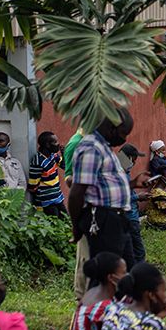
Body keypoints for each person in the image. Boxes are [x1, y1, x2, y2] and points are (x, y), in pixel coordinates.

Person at [68, 110, 134, 266]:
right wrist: (76, 226)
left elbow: (105, 184)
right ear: (112, 128)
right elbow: (76, 193)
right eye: (124, 133)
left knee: (127, 274)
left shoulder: (104, 147)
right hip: (104, 219)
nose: (124, 139)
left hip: (117, 218)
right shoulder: (92, 147)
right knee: (107, 276)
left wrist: (134, 182)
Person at [55, 252, 127, 330]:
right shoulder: (106, 307)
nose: (127, 276)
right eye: (123, 273)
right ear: (111, 278)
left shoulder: (91, 293)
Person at [117, 144, 148, 265]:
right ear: (128, 158)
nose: (135, 162)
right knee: (137, 249)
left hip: (129, 214)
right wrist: (138, 197)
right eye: (134, 159)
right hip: (128, 216)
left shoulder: (124, 169)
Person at [28, 131, 67, 218]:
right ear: (47, 145)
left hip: (58, 197)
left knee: (66, 221)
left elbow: (64, 166)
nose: (58, 144)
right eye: (55, 142)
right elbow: (32, 186)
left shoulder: (53, 156)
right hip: (46, 202)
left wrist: (64, 154)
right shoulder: (38, 162)